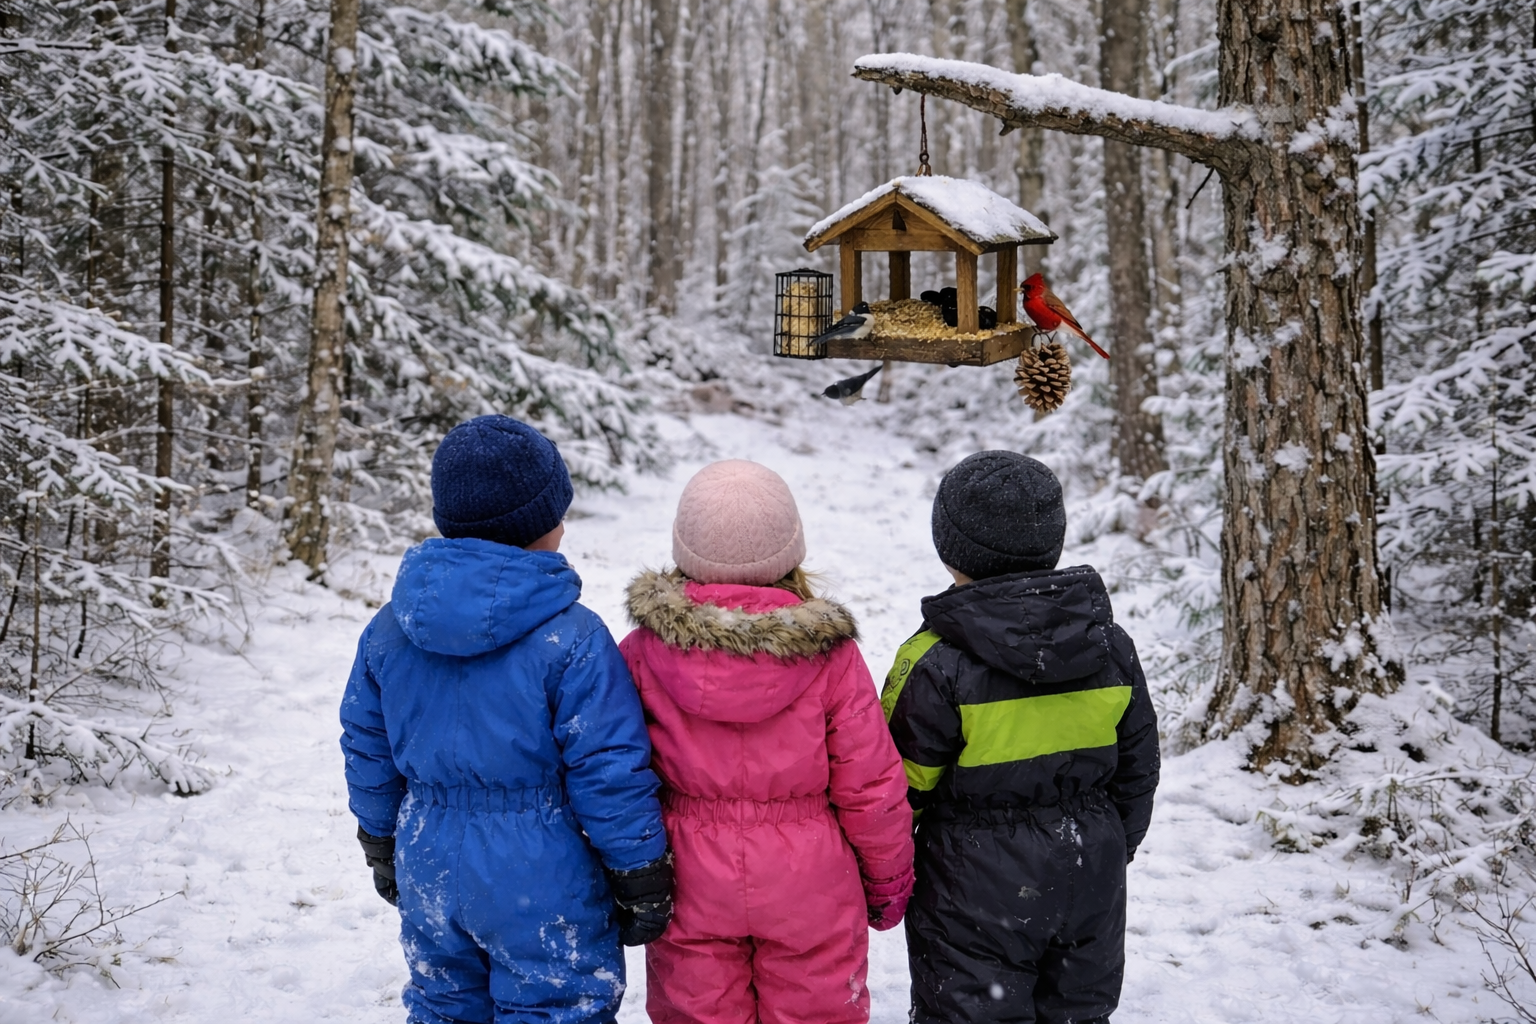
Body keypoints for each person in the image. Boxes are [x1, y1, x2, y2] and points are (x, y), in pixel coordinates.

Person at [339, 415, 672, 1024]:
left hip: (428, 857)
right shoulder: (572, 637)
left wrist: (380, 839)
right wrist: (639, 867)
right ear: (542, 527)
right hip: (541, 872)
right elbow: (607, 766)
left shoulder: (390, 630)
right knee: (554, 1005)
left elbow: (367, 744)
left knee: (443, 1004)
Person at [618, 459, 915, 1024]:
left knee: (698, 1012)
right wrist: (886, 877)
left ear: (684, 550)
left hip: (690, 877)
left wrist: (631, 868)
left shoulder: (641, 653)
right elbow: (870, 782)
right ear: (790, 552)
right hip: (811, 883)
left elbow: (621, 773)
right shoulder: (830, 656)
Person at [883, 451, 1160, 1024]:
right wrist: (1113, 845)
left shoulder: (935, 661)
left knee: (970, 1010)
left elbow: (898, 783)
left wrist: (892, 867)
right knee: (1078, 1009)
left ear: (950, 548)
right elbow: (1138, 763)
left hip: (971, 881)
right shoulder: (1110, 645)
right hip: (1091, 867)